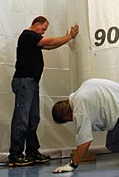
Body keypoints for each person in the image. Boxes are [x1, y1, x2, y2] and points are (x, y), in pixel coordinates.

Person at [8, 16, 79, 167]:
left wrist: (67, 39)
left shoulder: (35, 40)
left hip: (32, 83)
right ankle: (15, 154)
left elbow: (49, 46)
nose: (43, 32)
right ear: (36, 24)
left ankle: (32, 151)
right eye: (43, 28)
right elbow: (48, 43)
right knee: (22, 118)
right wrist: (69, 36)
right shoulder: (27, 35)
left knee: (33, 118)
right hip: (24, 82)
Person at [51, 78, 119, 172]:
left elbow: (85, 142)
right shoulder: (85, 85)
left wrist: (72, 165)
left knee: (111, 143)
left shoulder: (79, 110)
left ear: (67, 118)